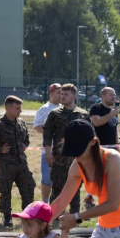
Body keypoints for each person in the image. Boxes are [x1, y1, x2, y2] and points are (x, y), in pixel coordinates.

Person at [0, 96, 36, 227]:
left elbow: (26, 137)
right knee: (5, 191)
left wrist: (24, 145)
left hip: (22, 163)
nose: (20, 111)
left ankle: (27, 216)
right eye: (17, 108)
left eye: (20, 108)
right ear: (8, 108)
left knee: (29, 188)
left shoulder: (21, 122)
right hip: (6, 164)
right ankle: (7, 217)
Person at [43, 84, 90, 214]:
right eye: (61, 94)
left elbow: (89, 137)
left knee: (76, 186)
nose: (62, 97)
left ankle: (75, 214)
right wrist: (48, 153)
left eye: (66, 94)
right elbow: (47, 134)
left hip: (77, 157)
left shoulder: (83, 114)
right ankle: (54, 214)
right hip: (59, 157)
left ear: (74, 96)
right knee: (57, 186)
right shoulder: (54, 114)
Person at [34, 84, 61, 203]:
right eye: (59, 92)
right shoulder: (44, 109)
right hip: (48, 150)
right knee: (47, 178)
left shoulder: (65, 108)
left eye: (63, 93)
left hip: (63, 151)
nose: (61, 95)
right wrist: (51, 131)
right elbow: (37, 126)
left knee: (62, 178)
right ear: (51, 93)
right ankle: (45, 202)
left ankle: (58, 203)